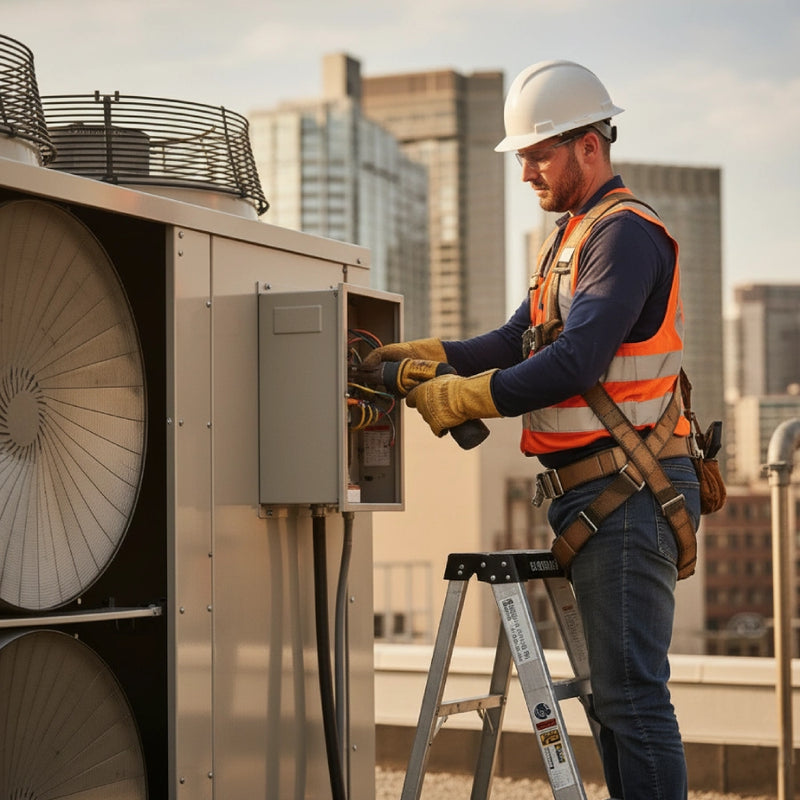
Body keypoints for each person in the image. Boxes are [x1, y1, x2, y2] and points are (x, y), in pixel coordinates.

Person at [366, 60, 701, 800]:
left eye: (538, 153)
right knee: (617, 708)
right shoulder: (571, 241)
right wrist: (435, 358)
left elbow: (576, 360)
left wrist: (464, 399)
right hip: (599, 496)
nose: (526, 173)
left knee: (633, 702)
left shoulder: (624, 237)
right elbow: (518, 341)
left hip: (629, 491)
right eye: (521, 157)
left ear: (590, 145)